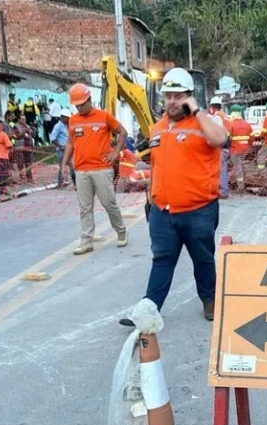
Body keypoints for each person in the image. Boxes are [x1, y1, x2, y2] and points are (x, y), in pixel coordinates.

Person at [119, 67, 227, 325]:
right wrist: (151, 199)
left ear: (189, 96)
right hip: (163, 211)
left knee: (202, 259)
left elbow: (220, 139)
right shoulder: (157, 129)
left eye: (178, 96)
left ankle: (210, 300)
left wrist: (197, 110)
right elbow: (157, 166)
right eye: (168, 96)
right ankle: (148, 309)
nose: (172, 101)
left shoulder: (204, 123)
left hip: (198, 210)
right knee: (162, 260)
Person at [60, 83, 128, 255]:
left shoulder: (104, 116)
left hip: (101, 169)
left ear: (89, 99)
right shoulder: (73, 120)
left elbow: (122, 132)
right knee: (85, 207)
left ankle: (121, 231)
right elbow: (70, 143)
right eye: (76, 105)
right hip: (81, 170)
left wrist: (116, 153)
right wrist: (64, 163)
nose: (79, 108)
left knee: (109, 203)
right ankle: (86, 241)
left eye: (81, 104)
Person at [208, 96, 232, 198]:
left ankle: (223, 191)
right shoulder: (224, 115)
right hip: (226, 144)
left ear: (212, 107)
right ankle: (221, 189)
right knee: (222, 168)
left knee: (221, 169)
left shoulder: (217, 117)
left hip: (221, 146)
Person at [228, 104, 253, 189]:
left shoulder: (230, 124)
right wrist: (249, 144)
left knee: (238, 167)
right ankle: (249, 181)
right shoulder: (247, 124)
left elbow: (228, 138)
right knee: (244, 165)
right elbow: (252, 136)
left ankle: (241, 186)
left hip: (235, 150)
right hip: (245, 149)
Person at [52, 110, 73, 188]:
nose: (69, 119)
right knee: (64, 165)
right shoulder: (58, 126)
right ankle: (60, 183)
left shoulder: (66, 126)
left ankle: (66, 182)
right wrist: (60, 146)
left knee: (71, 165)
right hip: (62, 150)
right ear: (63, 117)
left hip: (68, 149)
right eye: (67, 118)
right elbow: (53, 138)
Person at [12, 115, 34, 183]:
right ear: (18, 120)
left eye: (25, 119)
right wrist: (24, 132)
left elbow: (31, 136)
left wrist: (33, 132)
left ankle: (29, 177)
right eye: (22, 119)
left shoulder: (27, 126)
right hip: (20, 147)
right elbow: (16, 136)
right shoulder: (16, 126)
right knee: (20, 163)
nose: (24, 120)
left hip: (28, 147)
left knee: (29, 162)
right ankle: (22, 177)